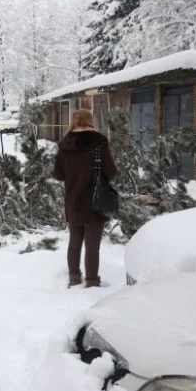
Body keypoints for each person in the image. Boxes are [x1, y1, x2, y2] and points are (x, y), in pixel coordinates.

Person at [53, 109, 117, 288]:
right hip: (95, 201)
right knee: (92, 244)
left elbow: (58, 175)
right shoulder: (99, 142)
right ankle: (92, 281)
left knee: (75, 240)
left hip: (73, 201)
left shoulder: (65, 144)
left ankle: (74, 277)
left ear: (73, 122)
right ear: (91, 120)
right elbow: (111, 172)